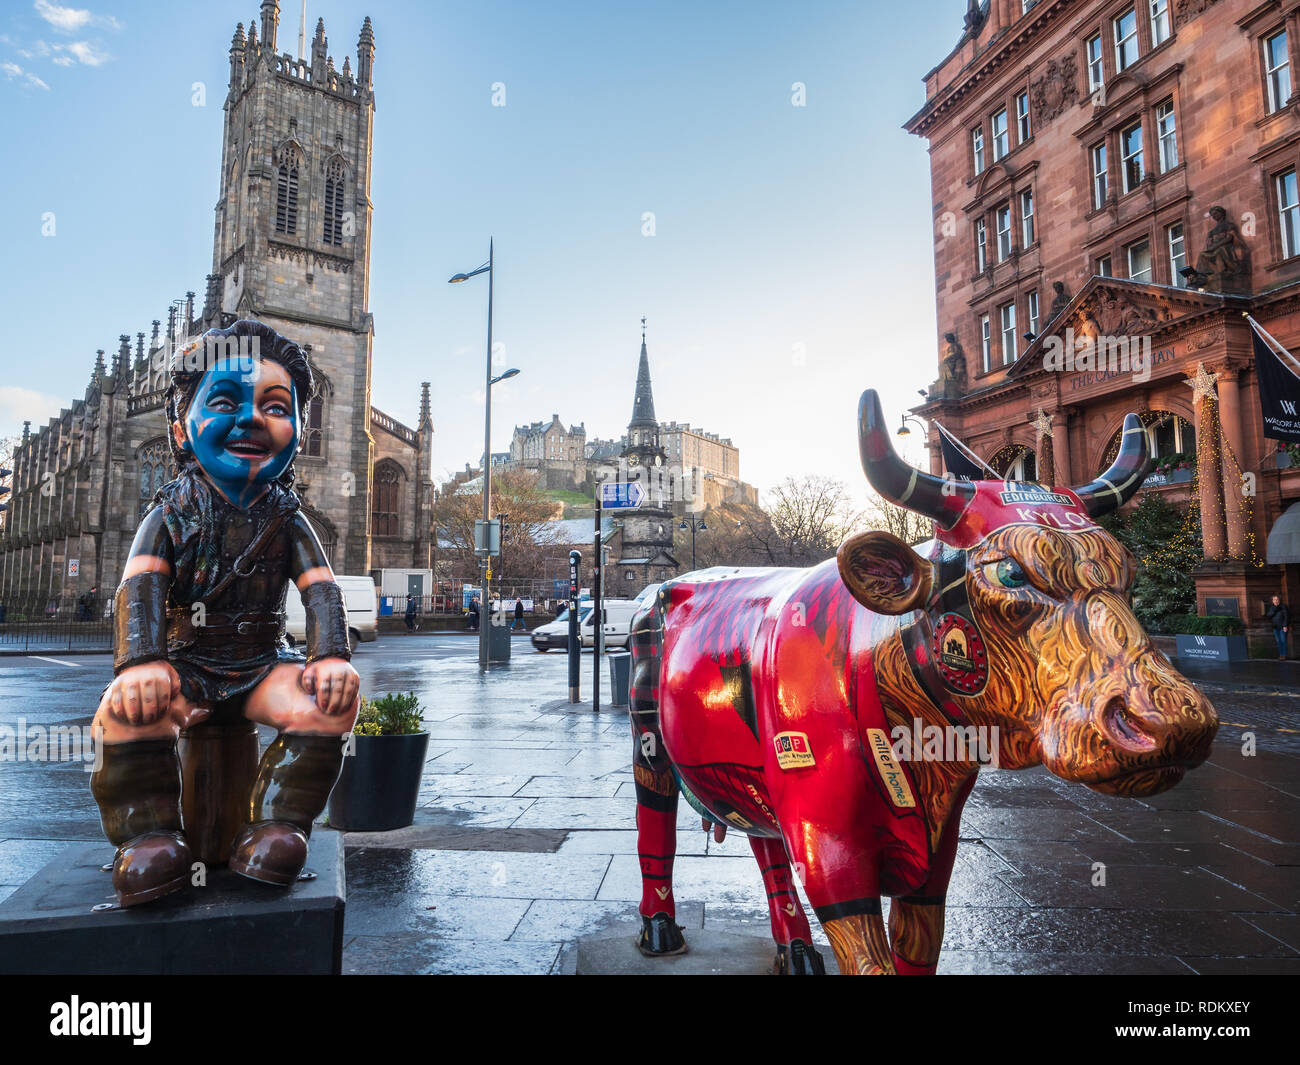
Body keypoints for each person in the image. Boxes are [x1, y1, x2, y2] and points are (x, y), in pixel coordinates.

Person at [89, 320, 360, 908]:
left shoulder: (287, 515)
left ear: (299, 428)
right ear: (181, 429)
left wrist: (331, 655)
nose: (251, 420)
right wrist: (141, 661)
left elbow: (321, 590)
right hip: (186, 662)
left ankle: (277, 827)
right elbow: (138, 590)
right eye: (223, 402)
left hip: (262, 662)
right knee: (128, 714)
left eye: (276, 406)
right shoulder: (171, 512)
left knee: (323, 705)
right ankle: (148, 838)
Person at [1267, 594, 1289, 660]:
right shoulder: (1271, 607)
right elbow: (1268, 615)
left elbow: (1286, 617)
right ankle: (1281, 655)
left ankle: (1284, 655)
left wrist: (1285, 625)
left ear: (1279, 600)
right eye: (1274, 600)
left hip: (1282, 627)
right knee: (1278, 642)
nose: (1275, 601)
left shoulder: (1283, 607)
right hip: (1275, 627)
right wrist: (1274, 610)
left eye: (1277, 599)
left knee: (1283, 641)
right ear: (1272, 601)